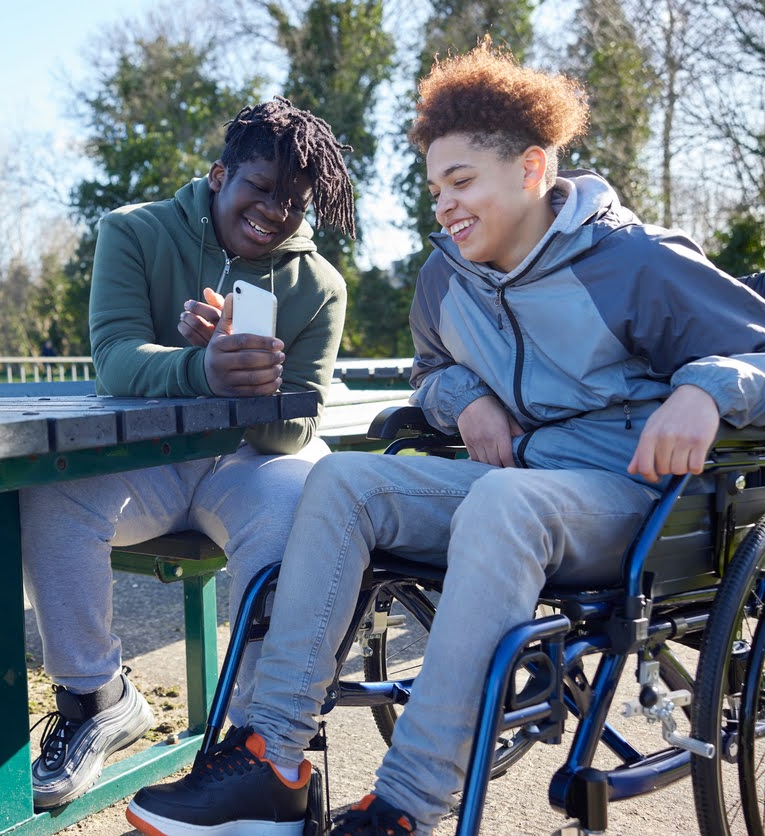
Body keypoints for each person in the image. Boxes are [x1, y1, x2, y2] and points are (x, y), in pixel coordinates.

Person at [126, 38, 765, 836]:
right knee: (343, 481)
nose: (444, 205)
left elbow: (756, 348)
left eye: (461, 181)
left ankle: (405, 807)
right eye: (434, 188)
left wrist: (707, 390)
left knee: (504, 501)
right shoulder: (444, 277)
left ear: (532, 170)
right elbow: (431, 369)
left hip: (636, 496)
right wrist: (462, 397)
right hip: (519, 484)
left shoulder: (631, 262)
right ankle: (271, 759)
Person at [19, 96, 357, 808]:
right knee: (49, 490)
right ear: (217, 174)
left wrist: (251, 391)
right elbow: (113, 358)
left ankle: (255, 746)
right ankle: (95, 699)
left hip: (253, 461)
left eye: (292, 203)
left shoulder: (320, 286)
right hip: (157, 457)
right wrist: (196, 368)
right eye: (259, 189)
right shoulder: (134, 231)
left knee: (301, 502)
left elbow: (296, 430)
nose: (273, 211)